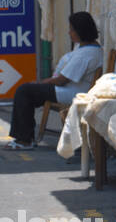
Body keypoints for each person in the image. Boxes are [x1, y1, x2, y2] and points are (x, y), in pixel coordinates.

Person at [4, 11, 103, 150]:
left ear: (81, 31)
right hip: (74, 89)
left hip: (73, 92)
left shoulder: (86, 55)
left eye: (72, 30)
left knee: (24, 91)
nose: (69, 33)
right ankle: (25, 136)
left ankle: (24, 140)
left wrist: (39, 83)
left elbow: (62, 80)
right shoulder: (92, 48)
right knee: (29, 91)